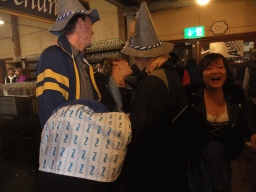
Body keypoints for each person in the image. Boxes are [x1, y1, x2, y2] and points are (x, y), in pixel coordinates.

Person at [120, 3, 189, 191]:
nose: (133, 60)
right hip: (174, 168)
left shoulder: (151, 83)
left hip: (155, 175)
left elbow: (141, 138)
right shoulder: (170, 73)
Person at [182, 53, 256, 192]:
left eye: (220, 67)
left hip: (225, 158)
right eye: (209, 68)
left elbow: (244, 120)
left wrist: (252, 134)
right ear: (202, 74)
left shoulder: (236, 94)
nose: (215, 71)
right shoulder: (191, 95)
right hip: (198, 160)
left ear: (226, 72)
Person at [36, 0, 116, 128]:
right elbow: (50, 116)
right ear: (81, 22)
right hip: (67, 146)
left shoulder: (80, 61)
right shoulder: (53, 56)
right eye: (90, 21)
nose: (93, 30)